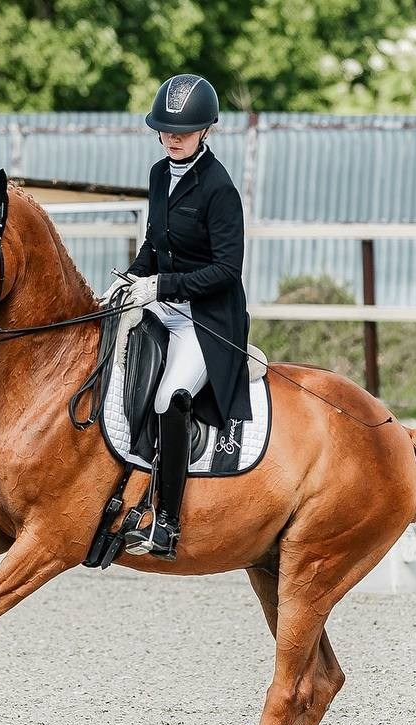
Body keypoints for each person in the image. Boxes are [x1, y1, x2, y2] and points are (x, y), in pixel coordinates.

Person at [116, 73, 252, 561]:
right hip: (161, 305)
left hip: (207, 319)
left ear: (206, 130)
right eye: (167, 128)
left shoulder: (220, 189)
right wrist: (132, 278)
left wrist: (162, 286)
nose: (174, 136)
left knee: (169, 398)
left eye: (185, 129)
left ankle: (166, 523)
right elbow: (155, 244)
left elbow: (226, 271)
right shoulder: (158, 174)